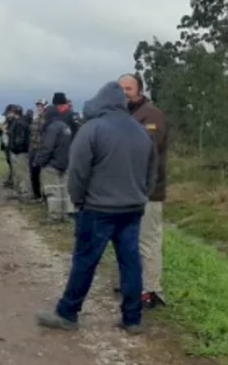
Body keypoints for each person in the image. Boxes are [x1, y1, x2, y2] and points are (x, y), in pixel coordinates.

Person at [37, 81, 157, 335]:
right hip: (132, 208)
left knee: (85, 261)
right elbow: (152, 171)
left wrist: (78, 200)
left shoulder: (93, 128)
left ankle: (68, 313)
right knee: (130, 262)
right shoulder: (140, 131)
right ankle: (132, 318)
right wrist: (140, 196)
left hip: (98, 208)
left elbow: (78, 171)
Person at [119, 73, 170, 309]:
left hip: (148, 190)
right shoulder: (121, 115)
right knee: (128, 240)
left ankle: (151, 289)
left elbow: (146, 150)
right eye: (121, 88)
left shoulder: (152, 115)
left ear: (139, 90)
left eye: (129, 88)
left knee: (148, 240)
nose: (125, 92)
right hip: (126, 189)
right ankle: (132, 283)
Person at [34, 92, 75, 222]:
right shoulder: (66, 127)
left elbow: (48, 147)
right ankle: (64, 214)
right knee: (63, 190)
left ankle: (54, 216)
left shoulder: (52, 127)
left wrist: (39, 160)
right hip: (65, 161)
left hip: (52, 163)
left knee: (52, 191)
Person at [6, 106, 32, 200]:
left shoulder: (20, 123)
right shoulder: (17, 122)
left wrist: (15, 148)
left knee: (23, 173)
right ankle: (18, 191)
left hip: (20, 152)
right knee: (17, 173)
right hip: (17, 151)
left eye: (12, 112)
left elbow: (19, 139)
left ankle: (26, 193)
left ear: (15, 113)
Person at [28, 100, 47, 201]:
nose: (39, 108)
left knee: (41, 173)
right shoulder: (35, 119)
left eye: (41, 106)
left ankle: (43, 195)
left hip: (41, 149)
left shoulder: (47, 119)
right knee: (33, 173)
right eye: (38, 106)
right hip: (33, 148)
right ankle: (36, 194)